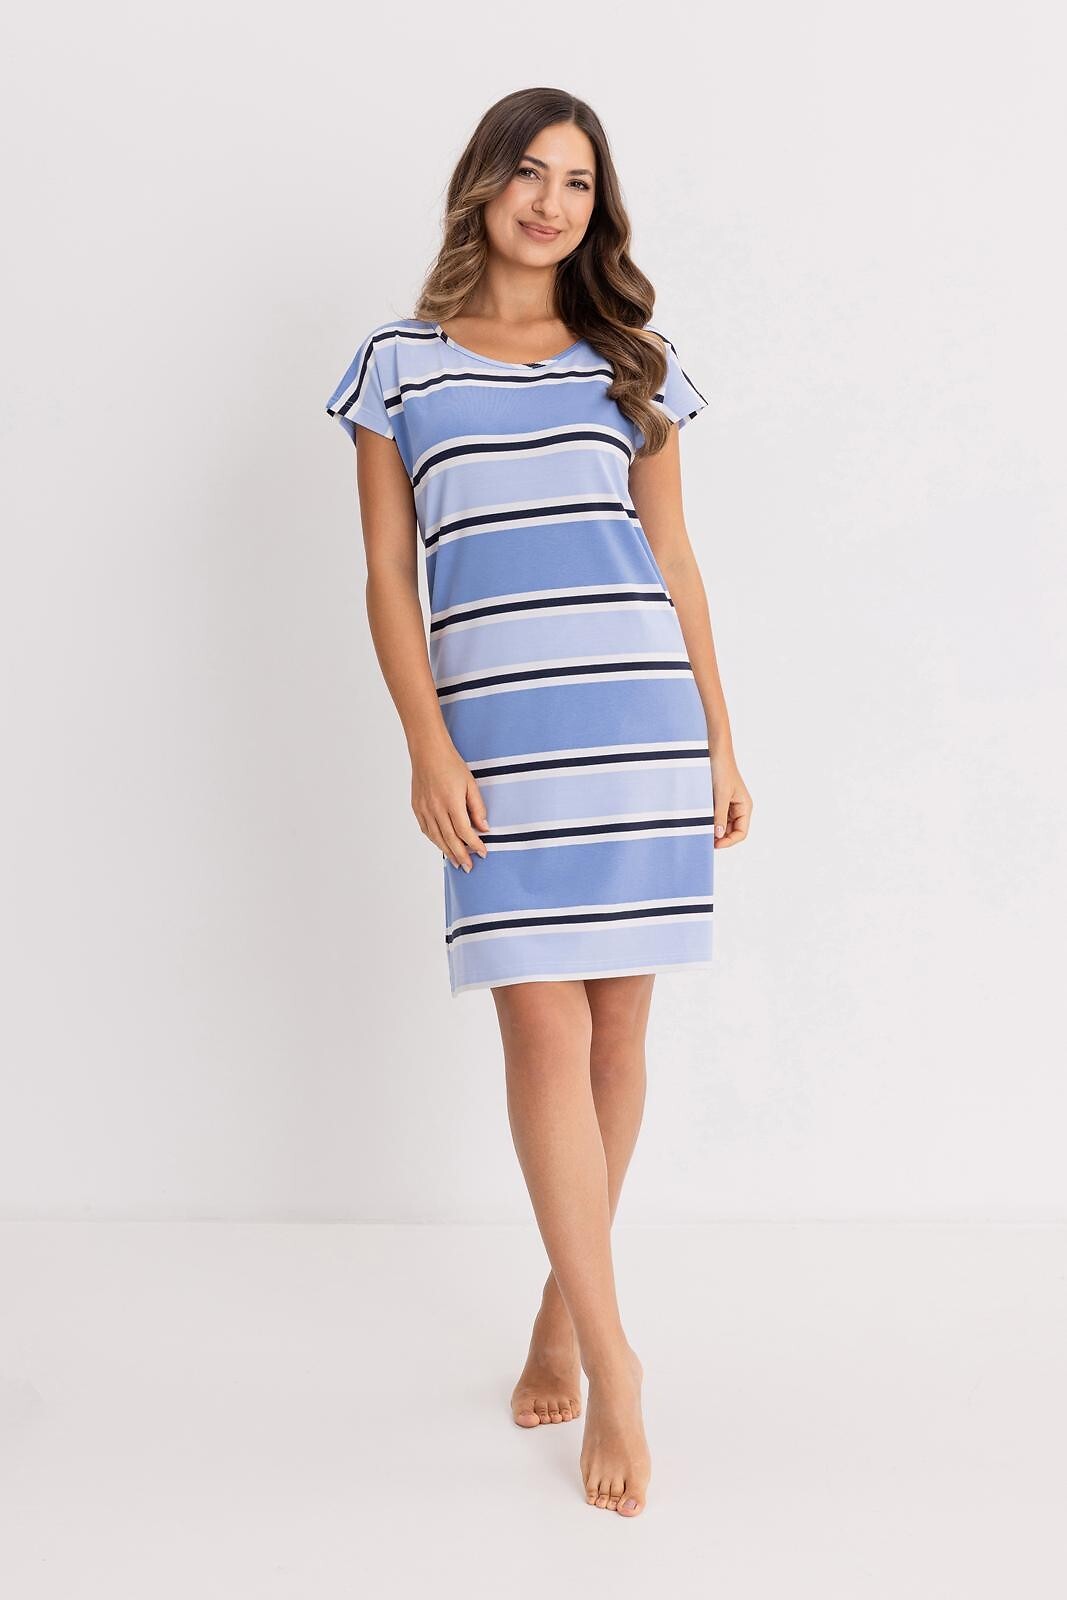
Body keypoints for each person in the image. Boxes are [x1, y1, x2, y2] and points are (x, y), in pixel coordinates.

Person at [325, 87, 752, 1518]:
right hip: (499, 749)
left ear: (597, 209)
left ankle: (567, 1315)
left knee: (619, 1030)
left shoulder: (635, 364)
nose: (550, 201)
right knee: (539, 1027)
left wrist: (721, 741)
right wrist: (426, 744)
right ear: (483, 185)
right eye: (529, 171)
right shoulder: (397, 366)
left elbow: (674, 561)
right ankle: (618, 1362)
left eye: (577, 181)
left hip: (639, 729)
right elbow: (389, 575)